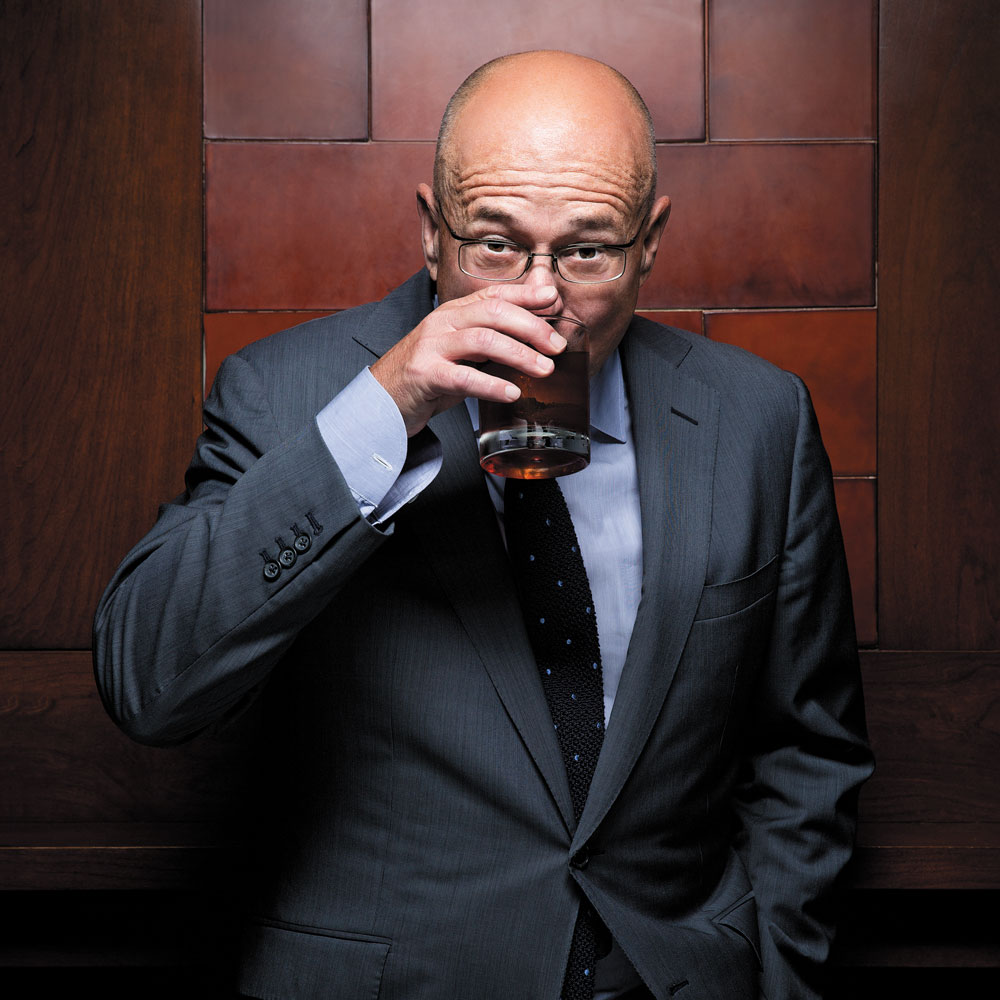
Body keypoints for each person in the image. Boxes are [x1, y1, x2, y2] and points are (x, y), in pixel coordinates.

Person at [94, 51, 873, 1000]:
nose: (542, 293)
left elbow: (807, 752)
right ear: (431, 232)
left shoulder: (758, 421)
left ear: (650, 241)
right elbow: (148, 682)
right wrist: (387, 406)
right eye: (495, 245)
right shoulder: (284, 392)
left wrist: (776, 978)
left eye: (587, 250)